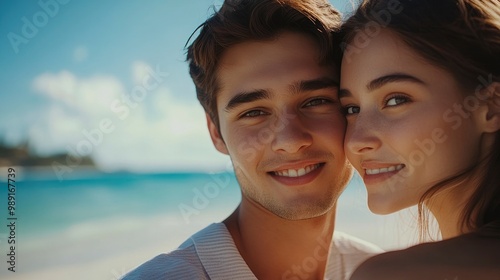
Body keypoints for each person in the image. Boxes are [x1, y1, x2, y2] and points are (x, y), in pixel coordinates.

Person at [121, 0, 382, 279]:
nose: (290, 140)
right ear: (216, 134)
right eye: (254, 112)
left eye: (316, 101)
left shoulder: (379, 270)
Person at [338, 0, 500, 279]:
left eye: (396, 100)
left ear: (491, 106)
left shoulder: (394, 274)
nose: (356, 140)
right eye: (352, 109)